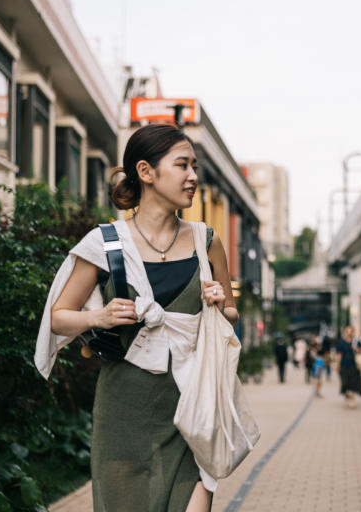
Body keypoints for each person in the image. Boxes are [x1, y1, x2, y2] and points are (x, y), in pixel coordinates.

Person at [41, 124, 239, 512]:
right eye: (182, 165)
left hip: (193, 408)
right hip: (124, 414)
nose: (193, 176)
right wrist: (97, 316)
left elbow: (230, 316)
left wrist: (221, 304)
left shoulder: (207, 240)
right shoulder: (104, 243)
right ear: (146, 172)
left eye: (194, 166)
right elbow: (58, 318)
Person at [335, 325, 361, 409]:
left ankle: (352, 400)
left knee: (353, 383)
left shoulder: (356, 342)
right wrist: (337, 366)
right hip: (344, 365)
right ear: (345, 332)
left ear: (353, 332)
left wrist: (357, 349)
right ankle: (347, 395)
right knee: (345, 383)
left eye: (351, 331)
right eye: (347, 331)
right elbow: (339, 355)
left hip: (354, 365)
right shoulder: (341, 343)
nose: (349, 333)